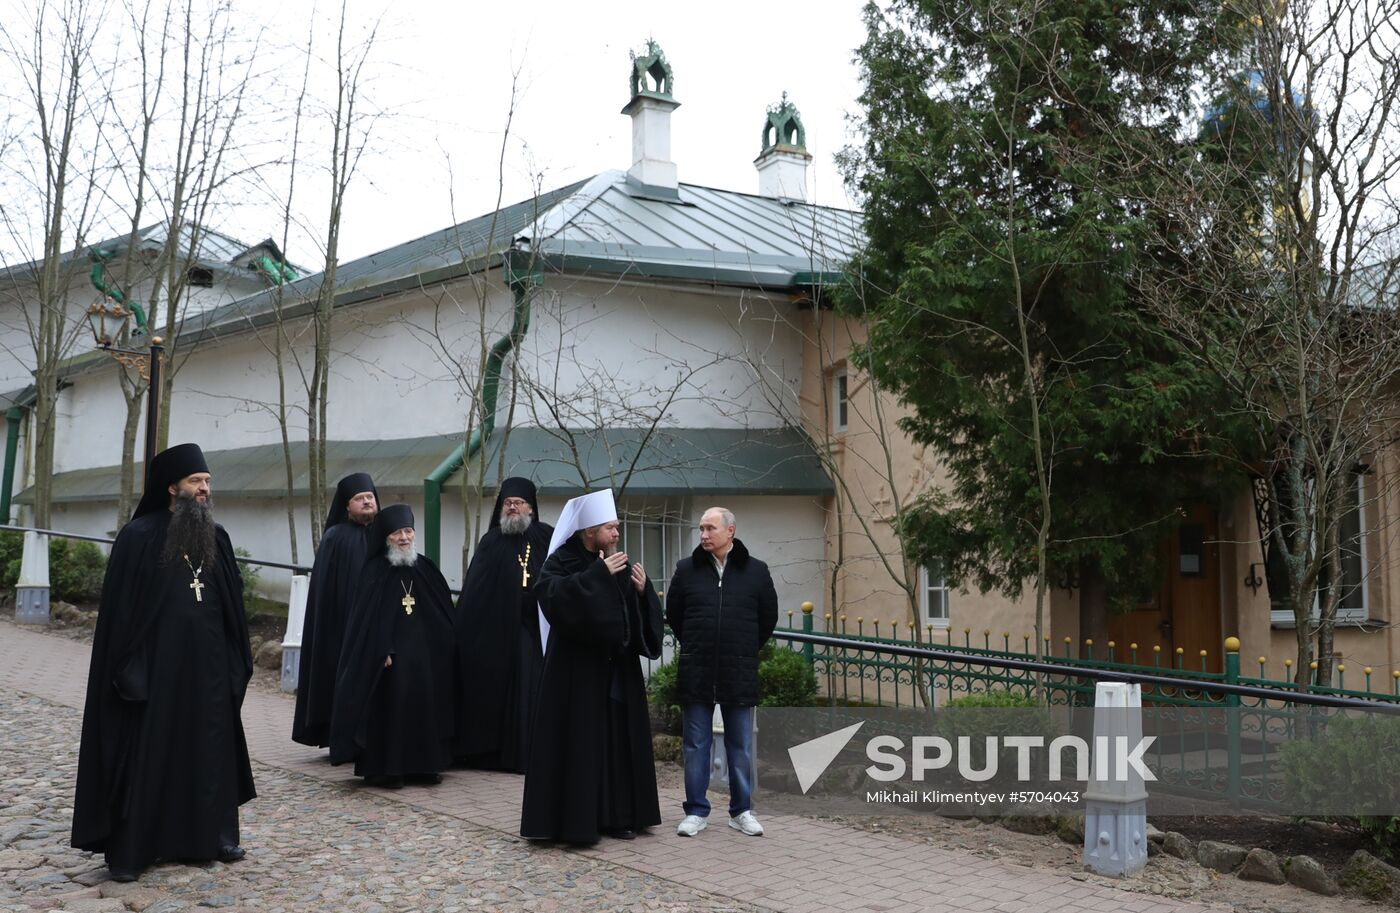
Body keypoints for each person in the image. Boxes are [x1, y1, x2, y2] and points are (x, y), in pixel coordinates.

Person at [72, 443, 255, 883]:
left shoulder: (217, 537)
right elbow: (121, 616)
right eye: (197, 481)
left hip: (208, 670)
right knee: (149, 754)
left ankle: (211, 837)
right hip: (156, 671)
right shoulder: (138, 537)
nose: (205, 488)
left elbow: (232, 605)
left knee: (208, 751)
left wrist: (235, 660)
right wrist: (129, 668)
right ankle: (135, 848)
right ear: (172, 486)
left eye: (208, 481)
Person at [520, 489, 663, 845]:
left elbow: (631, 616)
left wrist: (644, 594)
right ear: (588, 530)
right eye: (610, 528)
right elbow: (553, 598)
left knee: (617, 744)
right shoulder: (561, 562)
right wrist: (598, 575)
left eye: (616, 527)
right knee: (581, 745)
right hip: (576, 673)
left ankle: (620, 815)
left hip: (617, 673)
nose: (616, 534)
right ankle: (578, 820)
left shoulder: (617, 561)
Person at [666, 507, 778, 838]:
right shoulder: (686, 570)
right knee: (695, 744)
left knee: (740, 745)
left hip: (738, 669)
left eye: (710, 528)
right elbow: (675, 614)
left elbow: (767, 618)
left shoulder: (756, 572)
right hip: (697, 669)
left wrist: (742, 649)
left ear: (730, 531)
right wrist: (699, 646)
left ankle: (741, 810)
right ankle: (696, 811)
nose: (703, 535)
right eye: (701, 529)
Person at [329, 504, 456, 788]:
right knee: (392, 711)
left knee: (425, 709)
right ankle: (389, 769)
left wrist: (445, 645)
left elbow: (442, 611)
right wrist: (379, 649)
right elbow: (365, 621)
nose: (405, 537)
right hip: (391, 658)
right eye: (397, 532)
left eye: (408, 531)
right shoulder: (374, 571)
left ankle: (426, 767)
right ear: (386, 537)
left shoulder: (425, 568)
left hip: (424, 657)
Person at [454, 477, 553, 772]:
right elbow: (476, 591)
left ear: (531, 508)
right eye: (508, 503)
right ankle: (495, 752)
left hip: (537, 628)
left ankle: (533, 752)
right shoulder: (491, 541)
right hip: (497, 633)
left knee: (532, 686)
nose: (513, 508)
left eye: (518, 503)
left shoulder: (547, 537)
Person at [292, 472, 379, 748]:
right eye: (359, 498)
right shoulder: (335, 538)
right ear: (346, 506)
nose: (366, 502)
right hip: (343, 627)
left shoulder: (388, 534)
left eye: (369, 497)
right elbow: (328, 594)